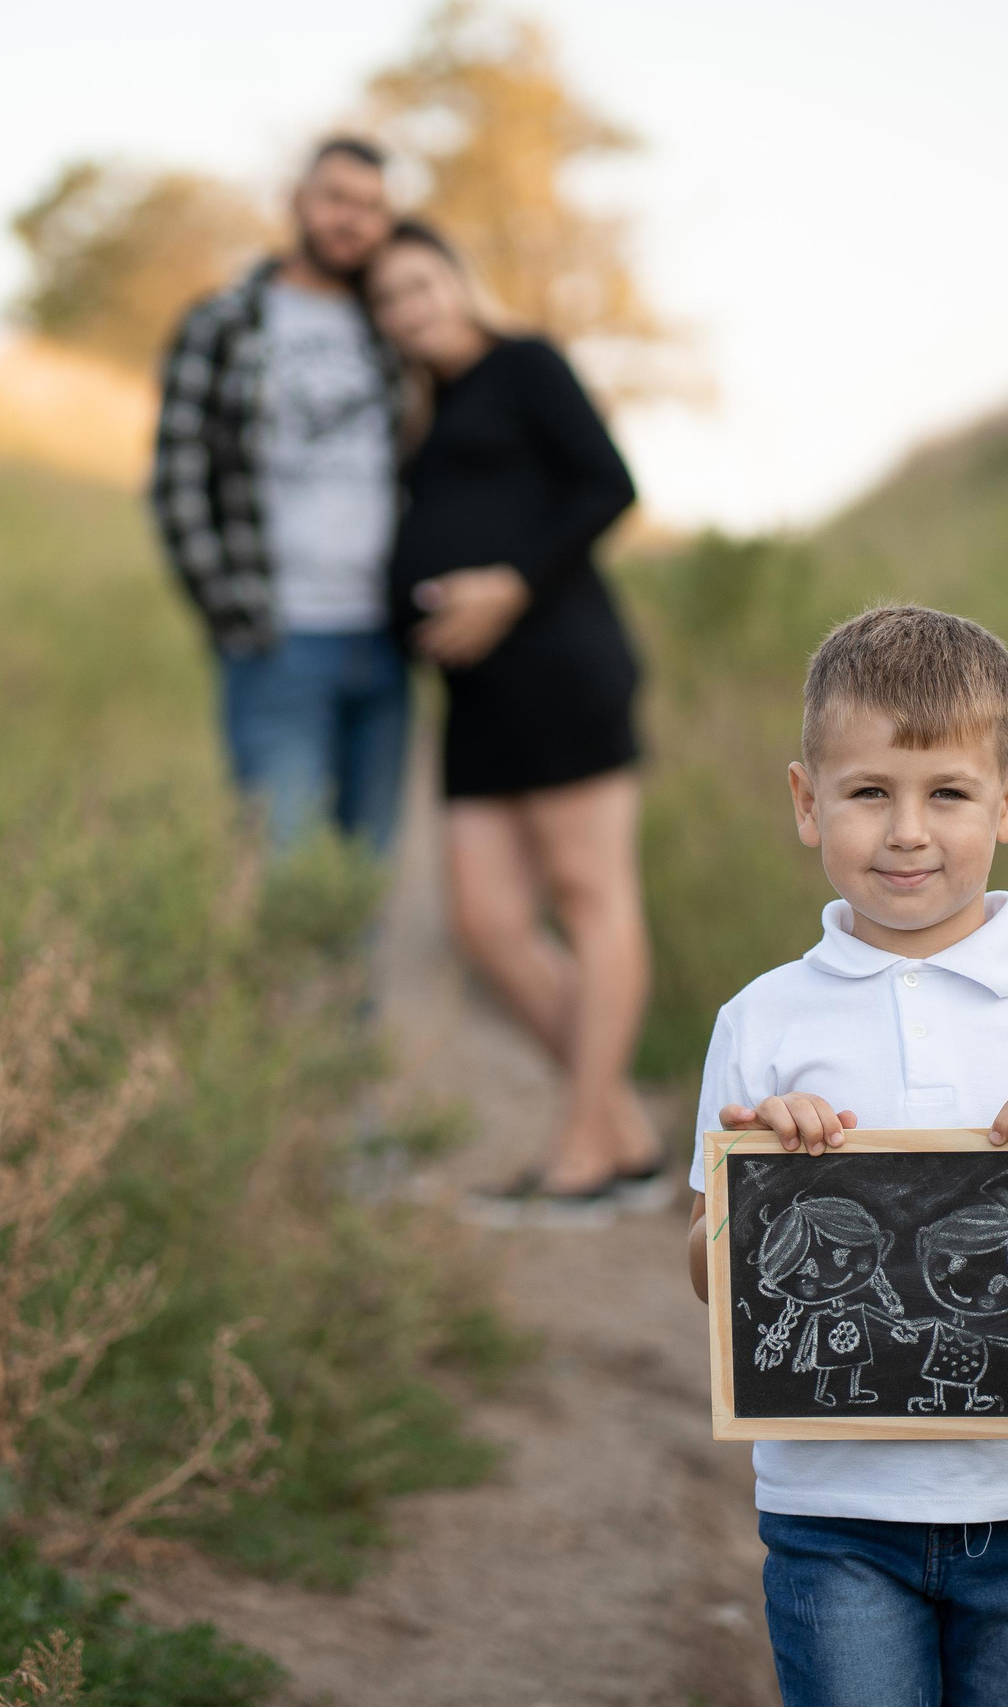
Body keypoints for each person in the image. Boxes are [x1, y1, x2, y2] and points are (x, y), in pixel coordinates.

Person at [682, 605, 1008, 1707]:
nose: (906, 831)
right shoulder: (761, 1022)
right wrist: (760, 1186)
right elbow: (705, 1281)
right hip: (833, 1515)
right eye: (868, 792)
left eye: (946, 793)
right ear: (805, 802)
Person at [363, 219, 665, 1220]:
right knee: (485, 923)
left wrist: (507, 586)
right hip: (475, 700)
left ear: (456, 278)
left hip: (562, 665)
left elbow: (607, 485)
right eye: (390, 299)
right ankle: (622, 1126)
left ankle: (582, 1146)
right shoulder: (417, 417)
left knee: (588, 895)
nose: (412, 307)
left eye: (421, 283)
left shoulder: (525, 363)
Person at [149, 137, 407, 853]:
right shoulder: (223, 323)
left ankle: (353, 975)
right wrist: (234, 616)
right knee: (284, 870)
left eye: (371, 207)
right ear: (296, 201)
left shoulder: (391, 328)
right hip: (277, 636)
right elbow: (177, 479)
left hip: (384, 643)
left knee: (365, 873)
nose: (351, 220)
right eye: (336, 199)